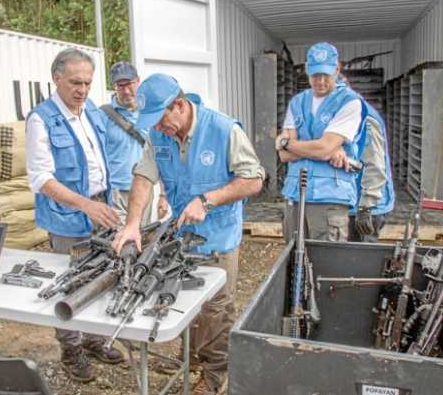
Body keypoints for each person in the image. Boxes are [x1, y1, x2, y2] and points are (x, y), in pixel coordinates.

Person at [112, 73, 264, 395]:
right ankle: (190, 358)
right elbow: (143, 175)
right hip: (181, 239)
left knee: (216, 309)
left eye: (159, 119)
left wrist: (208, 200)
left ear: (179, 104)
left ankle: (214, 375)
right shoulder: (160, 135)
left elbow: (253, 179)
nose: (156, 128)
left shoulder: (224, 130)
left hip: (217, 238)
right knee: (181, 299)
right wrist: (132, 224)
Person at [25, 48, 124, 382]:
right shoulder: (41, 119)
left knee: (103, 274)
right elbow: (41, 179)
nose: (82, 90)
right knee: (69, 283)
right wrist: (85, 204)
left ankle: (95, 339)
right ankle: (71, 350)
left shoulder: (90, 110)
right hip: (69, 215)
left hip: (101, 207)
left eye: (88, 82)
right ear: (57, 79)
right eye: (75, 82)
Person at [276, 42, 367, 243]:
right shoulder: (297, 102)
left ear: (337, 69)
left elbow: (324, 149)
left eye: (326, 74)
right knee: (293, 263)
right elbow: (284, 155)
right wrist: (320, 148)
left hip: (330, 197)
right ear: (307, 70)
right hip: (295, 194)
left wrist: (286, 142)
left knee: (327, 264)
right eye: (316, 74)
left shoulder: (349, 102)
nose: (321, 80)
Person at [100, 61, 168, 224]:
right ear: (114, 86)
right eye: (120, 86)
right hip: (116, 192)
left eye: (129, 84)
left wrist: (164, 195)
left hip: (144, 188)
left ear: (138, 81)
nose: (125, 91)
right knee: (120, 240)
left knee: (141, 237)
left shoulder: (151, 114)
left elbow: (163, 154)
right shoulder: (103, 115)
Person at [348, 102, 395, 242]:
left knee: (362, 258)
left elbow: (375, 166)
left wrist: (365, 208)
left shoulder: (365, 120)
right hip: (354, 202)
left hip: (367, 207)